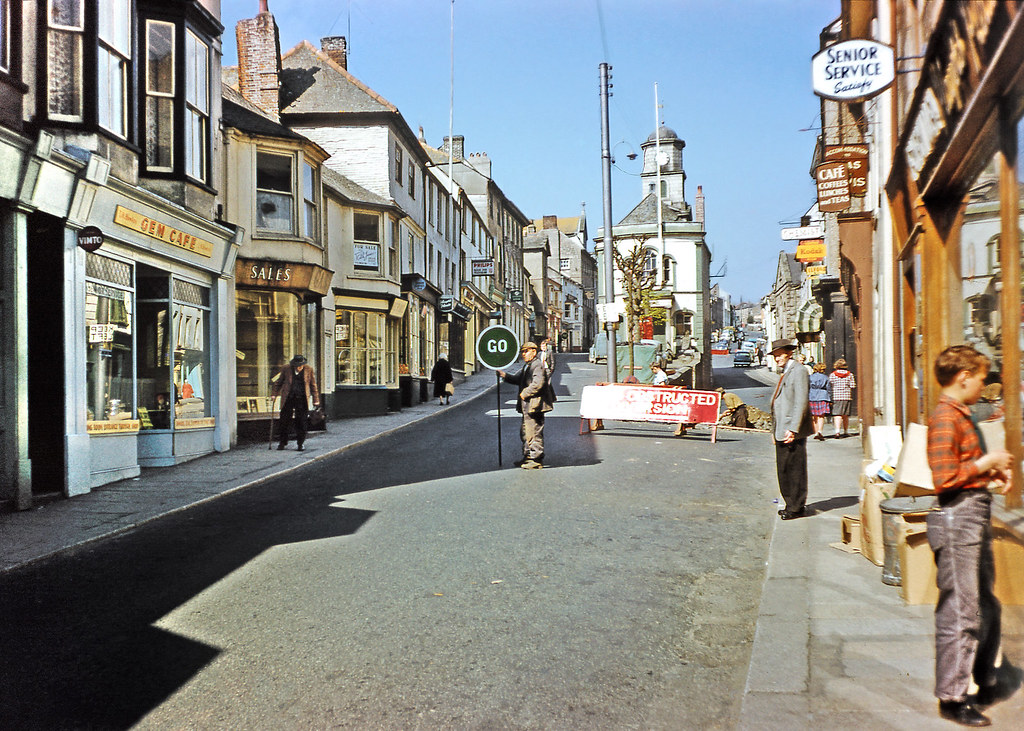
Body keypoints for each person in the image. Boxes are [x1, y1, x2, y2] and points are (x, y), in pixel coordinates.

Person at [925, 345, 1019, 727]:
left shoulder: (960, 414)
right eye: (981, 377)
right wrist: (988, 462)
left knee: (987, 605)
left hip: (971, 513)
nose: (984, 384)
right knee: (961, 610)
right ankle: (952, 696)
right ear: (964, 376)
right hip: (958, 519)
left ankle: (984, 677)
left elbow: (961, 470)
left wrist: (987, 475)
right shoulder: (946, 417)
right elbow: (943, 478)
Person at [769, 338, 813, 520]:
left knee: (794, 470)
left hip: (790, 431)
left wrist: (793, 429)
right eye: (775, 356)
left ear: (789, 353)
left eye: (779, 355)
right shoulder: (786, 371)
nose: (777, 359)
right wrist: (774, 430)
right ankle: (790, 504)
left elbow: (800, 401)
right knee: (784, 469)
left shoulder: (799, 371)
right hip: (782, 429)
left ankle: (796, 507)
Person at [498, 341, 553, 469]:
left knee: (534, 431)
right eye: (522, 352)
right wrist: (504, 375)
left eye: (526, 351)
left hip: (535, 405)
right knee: (526, 431)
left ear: (534, 352)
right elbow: (519, 379)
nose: (523, 354)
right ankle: (528, 456)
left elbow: (538, 383)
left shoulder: (537, 365)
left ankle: (536, 459)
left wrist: (525, 393)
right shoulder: (528, 366)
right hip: (529, 405)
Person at [270, 354, 320, 451]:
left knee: (301, 421)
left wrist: (316, 400)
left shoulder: (309, 369)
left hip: (302, 398)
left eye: (300, 366)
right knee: (284, 420)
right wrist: (274, 394)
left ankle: (300, 443)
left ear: (303, 364)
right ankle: (282, 443)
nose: (298, 368)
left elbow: (313, 385)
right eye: (296, 366)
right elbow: (279, 382)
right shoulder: (286, 368)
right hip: (288, 398)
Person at [828, 358, 856, 438]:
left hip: (836, 396)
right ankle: (846, 431)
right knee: (845, 415)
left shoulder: (833, 374)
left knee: (837, 415)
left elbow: (830, 384)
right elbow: (852, 385)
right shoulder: (850, 374)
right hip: (846, 396)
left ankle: (837, 431)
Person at [808, 362, 832, 441]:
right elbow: (828, 388)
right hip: (823, 396)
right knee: (821, 416)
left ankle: (815, 432)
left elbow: (807, 387)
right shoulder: (825, 377)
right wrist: (830, 397)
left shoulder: (810, 377)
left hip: (812, 396)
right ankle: (820, 431)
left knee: (814, 416)